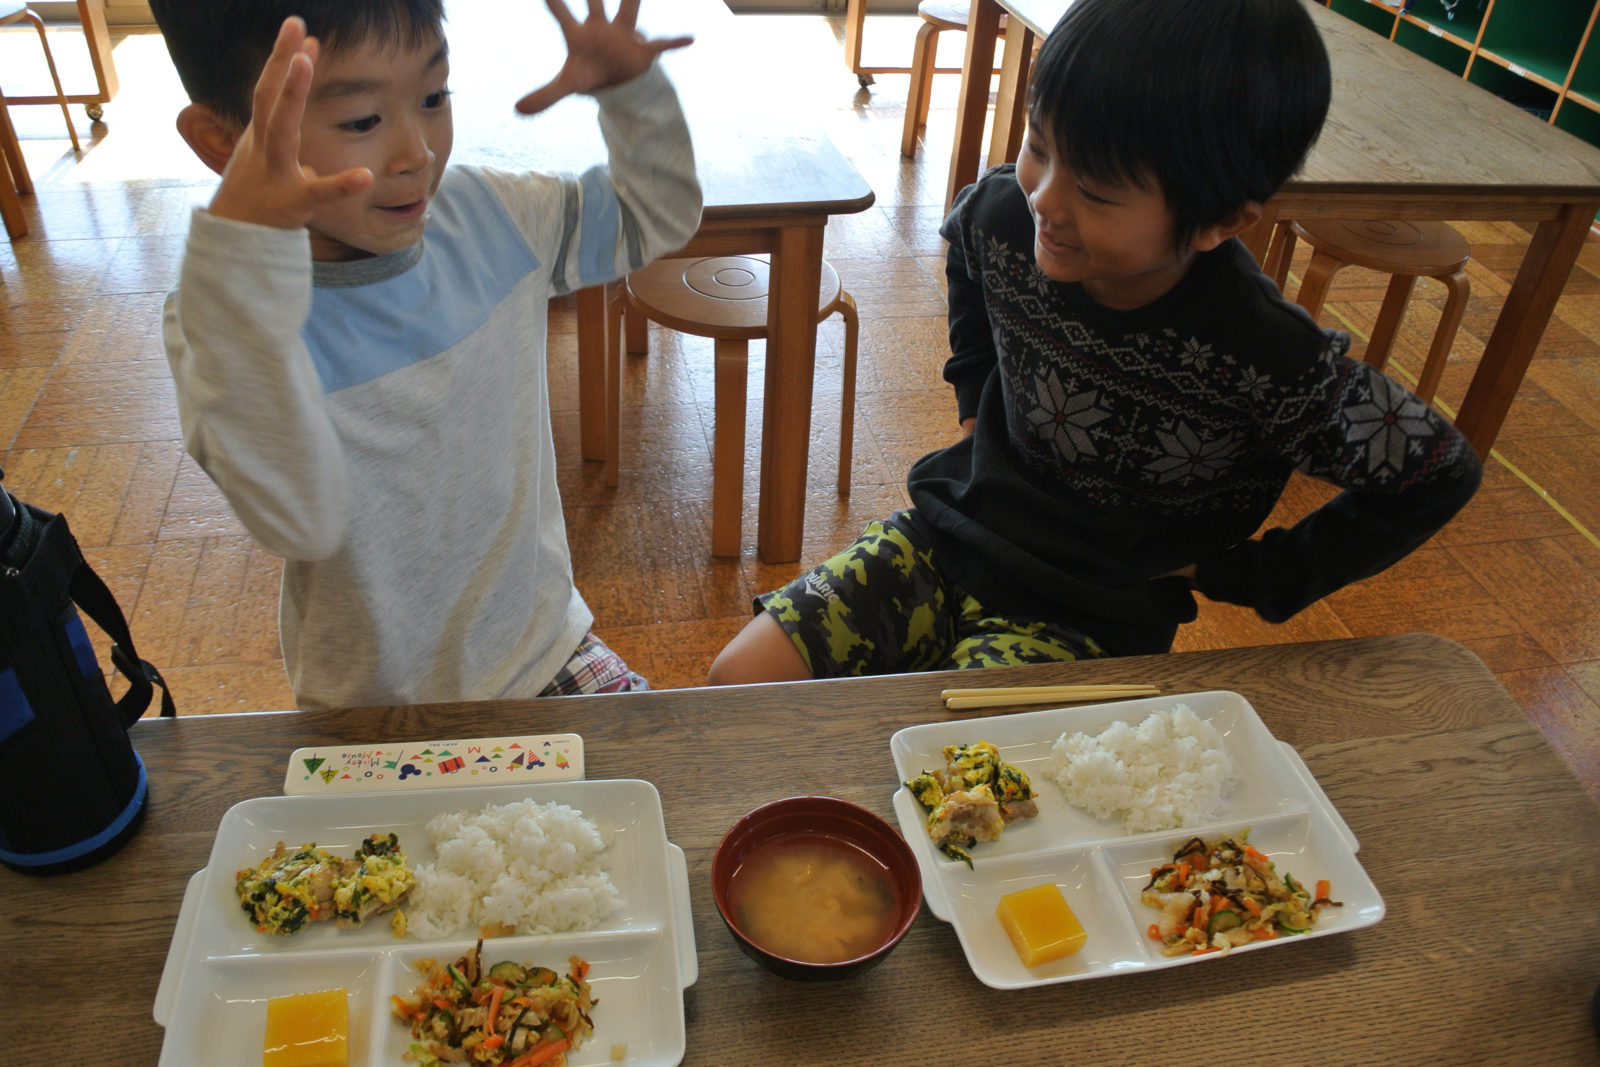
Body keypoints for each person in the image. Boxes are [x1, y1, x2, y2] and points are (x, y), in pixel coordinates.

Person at [707, 0, 1481, 685]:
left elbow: (1438, 471)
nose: (1044, 199)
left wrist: (1255, 574)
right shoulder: (1007, 215)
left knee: (946, 768)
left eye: (1097, 189)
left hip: (1089, 614)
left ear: (1221, 220)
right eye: (1041, 146)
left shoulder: (1265, 357)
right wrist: (976, 402)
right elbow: (970, 249)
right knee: (738, 676)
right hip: (947, 537)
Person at [148, 0, 702, 709]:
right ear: (224, 142)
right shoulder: (226, 322)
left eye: (434, 97)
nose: (416, 153)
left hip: (545, 651)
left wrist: (634, 95)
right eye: (361, 121)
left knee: (670, 771)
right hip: (375, 711)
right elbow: (298, 519)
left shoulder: (491, 217)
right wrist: (239, 256)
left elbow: (651, 217)